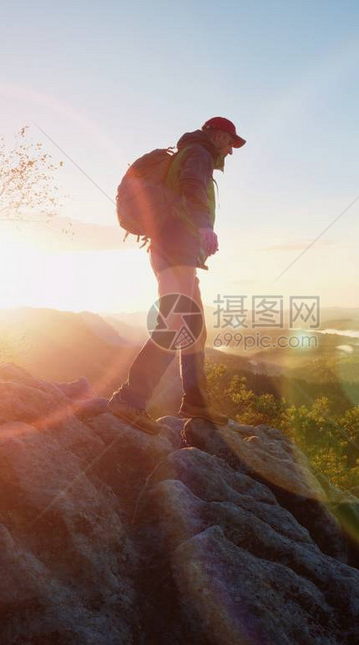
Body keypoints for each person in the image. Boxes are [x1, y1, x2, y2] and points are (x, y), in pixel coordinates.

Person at [108, 117, 246, 434]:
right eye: (229, 142)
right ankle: (129, 399)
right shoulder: (198, 154)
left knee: (193, 326)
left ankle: (197, 403)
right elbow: (191, 188)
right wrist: (204, 226)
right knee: (174, 322)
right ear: (217, 135)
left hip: (173, 251)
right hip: (173, 250)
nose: (230, 150)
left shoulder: (191, 153)